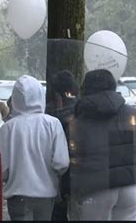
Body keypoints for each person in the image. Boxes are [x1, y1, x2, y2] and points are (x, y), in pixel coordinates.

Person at [68, 69, 136, 221]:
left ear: (87, 89)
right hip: (131, 185)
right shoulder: (134, 114)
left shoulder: (79, 120)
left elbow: (71, 154)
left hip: (95, 187)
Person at [0, 75, 70, 221]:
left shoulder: (7, 128)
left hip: (17, 196)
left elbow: (2, 169)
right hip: (46, 195)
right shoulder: (52, 124)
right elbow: (61, 163)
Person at [48, 70, 80, 221]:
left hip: (61, 181)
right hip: (84, 177)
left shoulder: (53, 117)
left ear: (57, 96)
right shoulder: (83, 110)